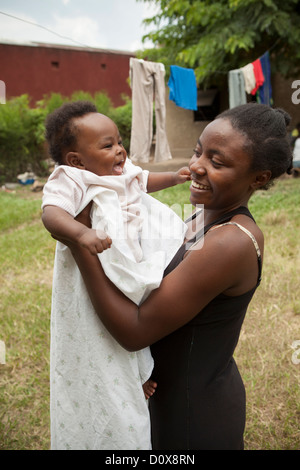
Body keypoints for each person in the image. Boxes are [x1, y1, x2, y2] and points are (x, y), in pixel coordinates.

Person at [55, 103, 293, 450]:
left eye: (217, 162)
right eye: (198, 151)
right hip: (164, 398)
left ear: (259, 178)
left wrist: (79, 242)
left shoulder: (231, 241)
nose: (196, 166)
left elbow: (135, 331)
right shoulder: (201, 216)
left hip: (193, 416)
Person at [42, 101, 190, 450]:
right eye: (107, 145)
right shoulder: (72, 178)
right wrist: (81, 235)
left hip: (130, 268)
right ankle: (133, 379)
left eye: (119, 141)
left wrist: (174, 177)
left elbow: (144, 181)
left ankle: (139, 375)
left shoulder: (122, 172)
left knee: (137, 319)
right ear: (77, 160)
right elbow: (52, 214)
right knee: (102, 327)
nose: (120, 150)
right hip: (98, 263)